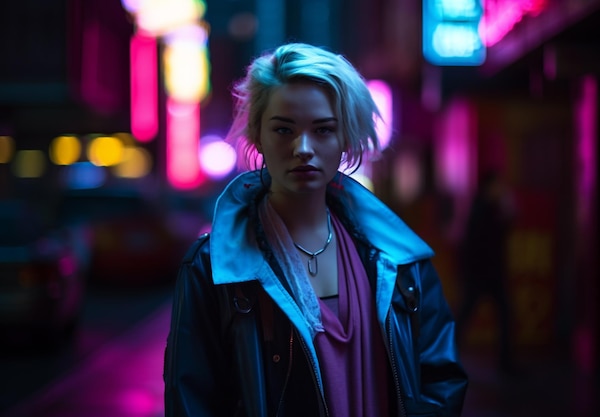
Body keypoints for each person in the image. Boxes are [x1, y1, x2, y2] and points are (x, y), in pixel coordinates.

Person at [164, 42, 468, 417]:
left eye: (323, 130)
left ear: (345, 139)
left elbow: (440, 379)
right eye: (284, 130)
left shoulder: (400, 261)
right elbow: (191, 401)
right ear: (258, 135)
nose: (303, 148)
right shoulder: (212, 269)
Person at [456, 169, 517, 375]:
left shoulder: (482, 208)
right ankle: (505, 363)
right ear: (489, 187)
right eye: (498, 185)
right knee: (471, 315)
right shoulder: (485, 210)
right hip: (484, 274)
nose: (501, 190)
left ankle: (442, 358)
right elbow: (489, 242)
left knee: (469, 315)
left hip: (483, 274)